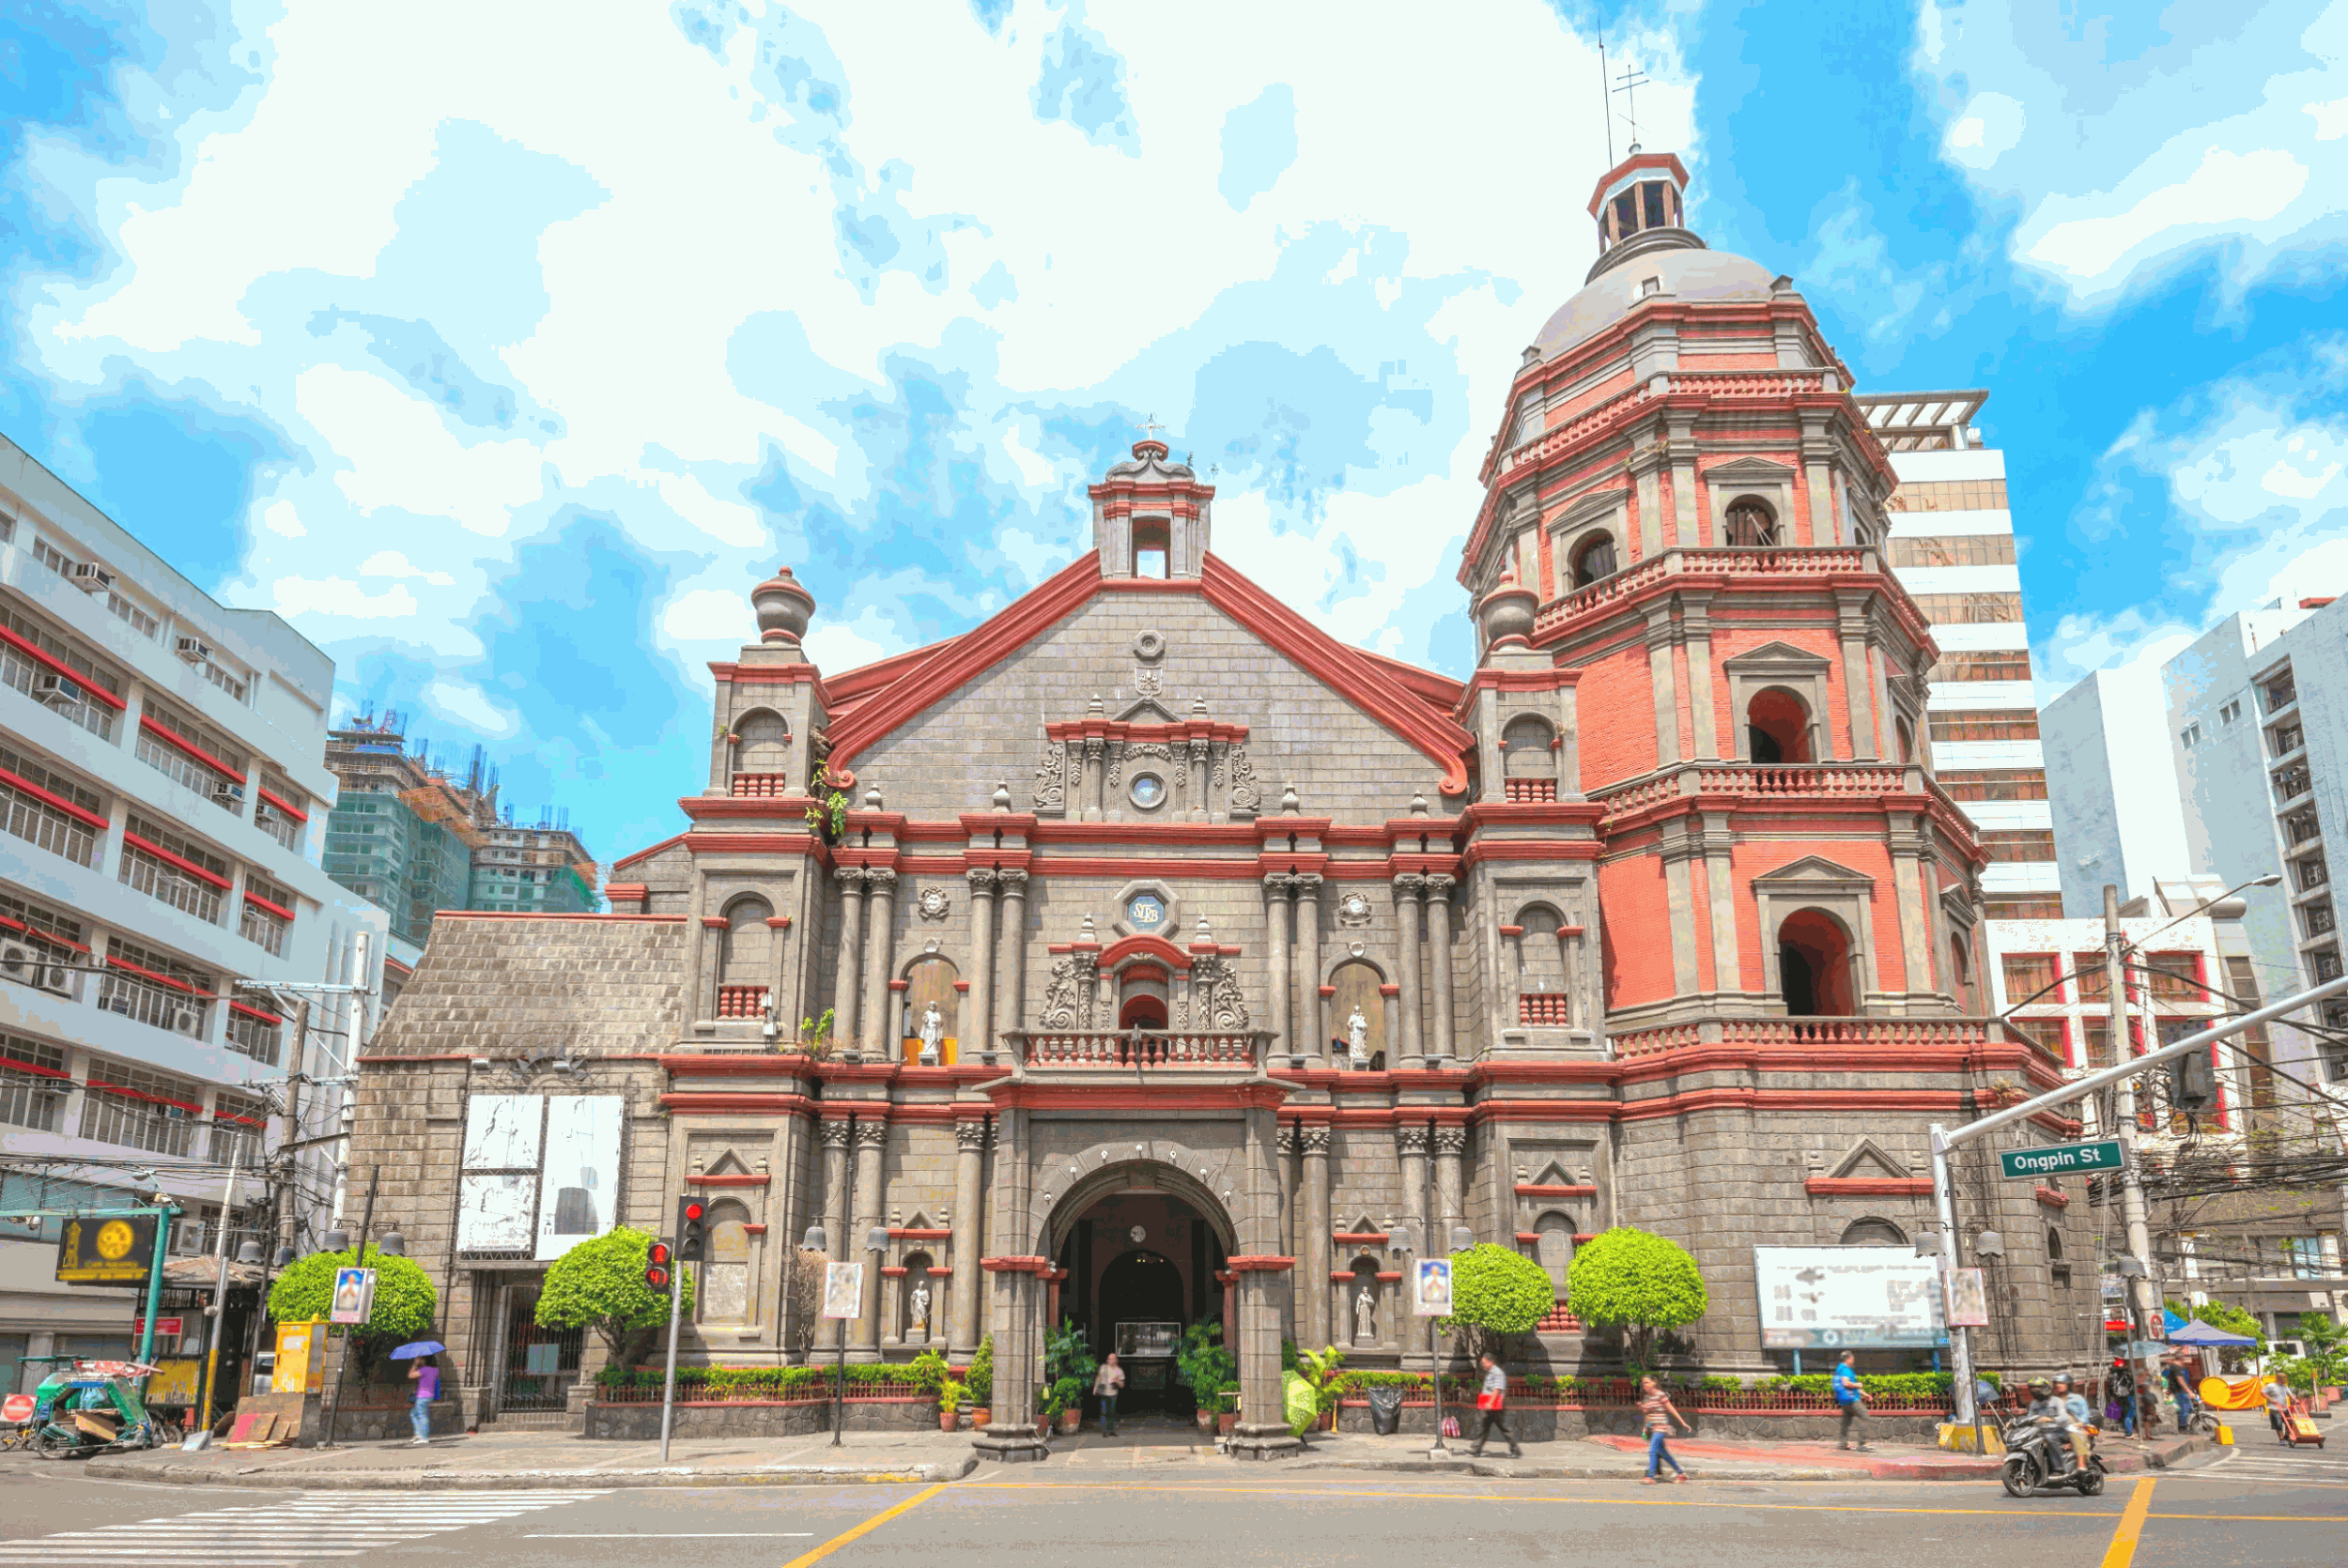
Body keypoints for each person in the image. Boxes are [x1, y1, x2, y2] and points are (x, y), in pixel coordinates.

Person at [1469, 1351, 1522, 1459]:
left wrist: (1490, 1402)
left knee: (1504, 1428)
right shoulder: (1490, 1372)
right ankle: (1476, 1449)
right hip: (1490, 1406)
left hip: (1496, 1406)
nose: (1482, 1365)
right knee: (1484, 1427)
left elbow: (1497, 1389)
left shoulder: (1497, 1372)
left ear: (1490, 1362)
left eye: (1484, 1363)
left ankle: (1515, 1450)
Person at [1638, 1375, 1691, 1483]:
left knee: (1652, 1450)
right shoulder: (1647, 1397)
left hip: (1661, 1428)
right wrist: (1645, 1427)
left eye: (1647, 1382)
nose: (1645, 1385)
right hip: (1652, 1428)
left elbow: (1671, 1409)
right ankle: (1681, 1473)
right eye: (1643, 1383)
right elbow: (1648, 1415)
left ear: (1654, 1383)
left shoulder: (1660, 1395)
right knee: (1663, 1453)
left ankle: (1651, 1477)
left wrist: (1683, 1423)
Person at [2023, 1377, 2076, 1475]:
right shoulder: (2034, 1403)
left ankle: (2059, 1468)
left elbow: (2064, 1417)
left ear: (2045, 1388)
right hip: (2041, 1432)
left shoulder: (2056, 1401)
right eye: (2033, 1389)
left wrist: (2051, 1419)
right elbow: (2029, 1418)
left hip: (2059, 1431)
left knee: (2049, 1437)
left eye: (2037, 1389)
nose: (2035, 1391)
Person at [2051, 1373, 2093, 1474]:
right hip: (2057, 1428)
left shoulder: (2077, 1399)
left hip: (2075, 1426)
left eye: (2061, 1383)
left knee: (2077, 1433)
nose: (2058, 1385)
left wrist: (2079, 1424)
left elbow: (2084, 1416)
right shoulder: (2052, 1400)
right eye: (2056, 1383)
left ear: (2068, 1385)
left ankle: (2081, 1465)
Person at [1831, 1350, 1870, 1452]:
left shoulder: (1839, 1369)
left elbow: (1847, 1385)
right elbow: (1846, 1384)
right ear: (1848, 1358)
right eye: (1852, 1358)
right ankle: (1863, 1443)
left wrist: (1864, 1394)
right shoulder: (1845, 1369)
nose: (1853, 1360)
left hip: (1844, 1400)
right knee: (1865, 1416)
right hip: (1852, 1399)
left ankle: (1843, 1443)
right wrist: (1858, 1385)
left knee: (1846, 1421)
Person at [406, 1354, 439, 1446]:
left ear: (425, 1360)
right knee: (413, 1413)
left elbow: (410, 1375)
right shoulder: (435, 1370)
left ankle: (423, 1437)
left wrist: (415, 1364)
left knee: (422, 1415)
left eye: (421, 1358)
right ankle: (418, 1434)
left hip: (422, 1396)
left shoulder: (425, 1370)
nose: (419, 1360)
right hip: (429, 1395)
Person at [1092, 1352, 1124, 1437]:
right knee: (1104, 1412)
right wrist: (1095, 1388)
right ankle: (1104, 1431)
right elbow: (1098, 1377)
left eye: (1113, 1358)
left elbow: (1122, 1385)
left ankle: (1112, 1431)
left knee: (1112, 1412)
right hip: (1104, 1393)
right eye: (1109, 1358)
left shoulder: (1119, 1370)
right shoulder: (1103, 1367)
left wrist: (1117, 1381)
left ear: (1116, 1360)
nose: (1111, 1360)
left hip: (1113, 1393)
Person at [2106, 1358, 2137, 1437]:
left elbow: (2109, 1385)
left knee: (2123, 1413)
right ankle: (2129, 1433)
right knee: (2129, 1413)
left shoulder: (2111, 1373)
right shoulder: (2125, 1372)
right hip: (2127, 1394)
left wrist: (2112, 1394)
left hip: (2117, 1395)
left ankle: (2127, 1430)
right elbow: (2130, 1382)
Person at [2264, 1376, 2292, 1443]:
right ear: (2279, 1379)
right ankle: (2281, 1439)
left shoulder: (2284, 1386)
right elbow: (2262, 1392)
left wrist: (2295, 1400)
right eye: (2283, 1380)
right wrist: (2270, 1399)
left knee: (2290, 1422)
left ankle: (2286, 1436)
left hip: (2284, 1408)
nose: (2284, 1381)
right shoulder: (2271, 1386)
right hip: (2274, 1408)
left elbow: (2290, 1394)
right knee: (2278, 1424)